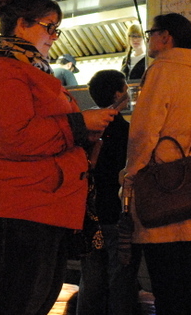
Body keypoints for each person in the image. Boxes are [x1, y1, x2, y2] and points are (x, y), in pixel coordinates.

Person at [0, 0, 117, 315]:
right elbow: (17, 137)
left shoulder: (32, 70)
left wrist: (84, 133)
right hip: (13, 207)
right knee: (15, 303)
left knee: (34, 300)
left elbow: (40, 131)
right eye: (50, 27)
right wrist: (78, 124)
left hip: (40, 205)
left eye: (56, 29)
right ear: (22, 24)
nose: (54, 37)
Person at [121, 13, 191, 315]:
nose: (149, 38)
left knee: (167, 285)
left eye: (152, 32)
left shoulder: (162, 70)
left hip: (162, 187)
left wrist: (131, 174)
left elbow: (144, 131)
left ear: (166, 36)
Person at [77, 70, 142, 315]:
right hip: (118, 214)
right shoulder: (127, 133)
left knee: (91, 280)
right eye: (125, 88)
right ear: (118, 94)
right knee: (121, 280)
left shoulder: (85, 131)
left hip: (91, 215)